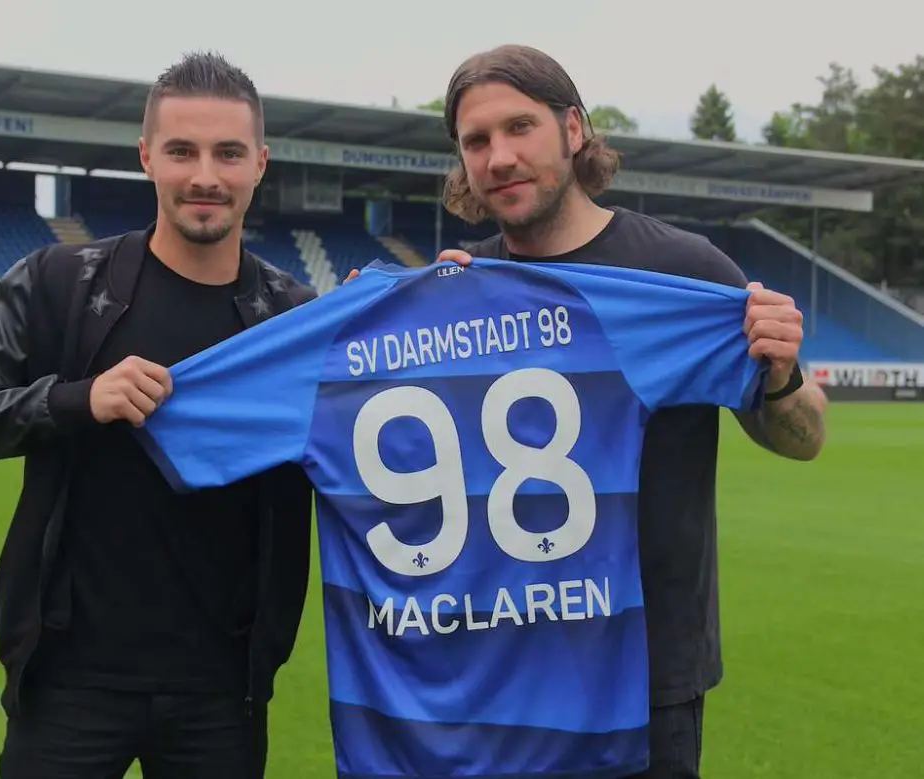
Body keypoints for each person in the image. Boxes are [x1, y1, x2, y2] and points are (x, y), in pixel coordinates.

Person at [349, 44, 828, 778]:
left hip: (646, 674)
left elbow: (803, 438)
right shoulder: (454, 292)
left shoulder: (682, 273)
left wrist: (782, 374)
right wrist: (369, 334)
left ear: (573, 129)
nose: (499, 157)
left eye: (520, 128)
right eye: (476, 141)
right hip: (497, 668)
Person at [0, 51, 316, 779]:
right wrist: (76, 399)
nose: (205, 176)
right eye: (182, 151)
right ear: (146, 157)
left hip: (224, 689)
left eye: (229, 153)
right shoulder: (57, 282)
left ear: (260, 163)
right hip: (68, 682)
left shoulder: (295, 317)